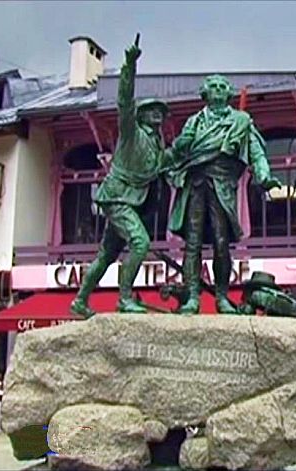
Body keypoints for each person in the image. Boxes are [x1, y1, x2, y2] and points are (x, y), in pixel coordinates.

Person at [70, 34, 171, 318]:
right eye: (151, 110)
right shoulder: (131, 132)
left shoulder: (157, 144)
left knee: (107, 254)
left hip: (130, 200)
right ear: (141, 115)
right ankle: (125, 298)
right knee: (140, 242)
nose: (157, 114)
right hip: (117, 196)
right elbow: (125, 100)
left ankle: (80, 300)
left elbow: (166, 164)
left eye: (160, 111)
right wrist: (129, 65)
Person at [165, 74, 282, 314]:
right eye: (213, 87)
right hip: (195, 185)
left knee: (221, 242)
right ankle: (192, 296)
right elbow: (174, 155)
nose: (217, 90)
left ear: (228, 93)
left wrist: (264, 176)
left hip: (222, 186)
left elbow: (257, 153)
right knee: (192, 243)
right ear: (205, 93)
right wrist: (180, 145)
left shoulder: (241, 121)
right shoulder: (194, 122)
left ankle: (221, 296)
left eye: (222, 86)